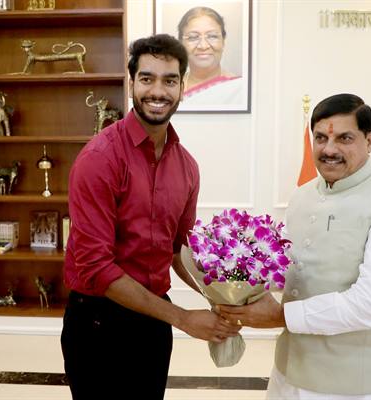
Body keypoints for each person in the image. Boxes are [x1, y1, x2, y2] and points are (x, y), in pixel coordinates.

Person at [60, 34, 240, 400]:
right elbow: (96, 268)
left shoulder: (187, 166)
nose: (158, 91)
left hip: (155, 321)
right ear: (131, 84)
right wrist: (185, 319)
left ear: (182, 87)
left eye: (169, 80)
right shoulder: (99, 159)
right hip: (97, 322)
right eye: (147, 78)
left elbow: (179, 250)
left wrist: (223, 296)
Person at [220, 94, 371, 399]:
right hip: (290, 371)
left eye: (345, 138)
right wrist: (234, 281)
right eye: (320, 138)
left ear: (370, 141)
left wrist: (280, 317)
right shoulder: (303, 196)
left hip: (358, 383)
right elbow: (294, 271)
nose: (329, 149)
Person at [177, 6, 243, 105]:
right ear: (181, 44)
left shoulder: (240, 88)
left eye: (212, 36)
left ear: (223, 41)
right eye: (193, 37)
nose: (203, 46)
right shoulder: (172, 89)